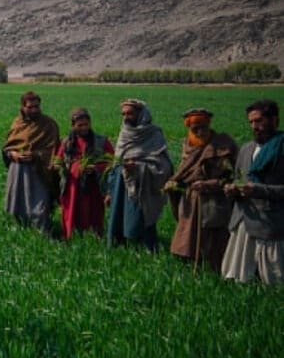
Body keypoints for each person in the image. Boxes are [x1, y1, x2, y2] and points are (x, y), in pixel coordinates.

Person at [163, 108, 239, 271]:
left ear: (209, 125)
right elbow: (182, 172)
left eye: (203, 127)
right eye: (195, 128)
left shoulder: (223, 144)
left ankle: (217, 270)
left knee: (215, 238)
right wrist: (173, 183)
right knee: (188, 236)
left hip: (215, 200)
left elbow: (236, 175)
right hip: (191, 199)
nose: (199, 131)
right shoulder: (187, 144)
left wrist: (211, 184)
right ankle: (194, 269)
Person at [221, 99, 284, 283]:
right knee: (238, 278)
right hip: (243, 219)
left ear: (275, 120)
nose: (254, 126)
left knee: (274, 282)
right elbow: (239, 178)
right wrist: (232, 189)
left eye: (259, 121)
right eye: (251, 122)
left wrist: (258, 189)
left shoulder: (281, 147)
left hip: (271, 224)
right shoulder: (247, 149)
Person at [105, 99, 172, 252]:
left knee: (141, 219)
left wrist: (138, 168)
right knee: (118, 217)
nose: (126, 117)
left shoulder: (153, 134)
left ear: (141, 114)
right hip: (121, 184)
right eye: (123, 114)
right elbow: (116, 163)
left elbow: (164, 165)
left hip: (143, 186)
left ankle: (147, 251)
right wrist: (109, 190)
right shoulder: (124, 133)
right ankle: (121, 249)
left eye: (130, 113)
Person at [2, 91, 60, 234]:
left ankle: (43, 236)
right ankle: (22, 236)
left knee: (40, 207)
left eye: (36, 106)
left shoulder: (49, 124)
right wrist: (12, 154)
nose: (34, 110)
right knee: (18, 205)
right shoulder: (17, 123)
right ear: (22, 107)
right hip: (18, 171)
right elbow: (7, 147)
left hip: (39, 171)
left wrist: (35, 155)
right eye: (30, 107)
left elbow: (54, 150)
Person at [53, 108, 114, 239]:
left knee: (94, 212)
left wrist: (96, 167)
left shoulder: (101, 141)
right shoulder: (66, 142)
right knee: (71, 212)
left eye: (86, 124)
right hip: (72, 186)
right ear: (73, 125)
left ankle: (95, 237)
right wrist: (71, 167)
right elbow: (57, 161)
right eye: (80, 125)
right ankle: (70, 238)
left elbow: (112, 162)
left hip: (94, 185)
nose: (84, 128)